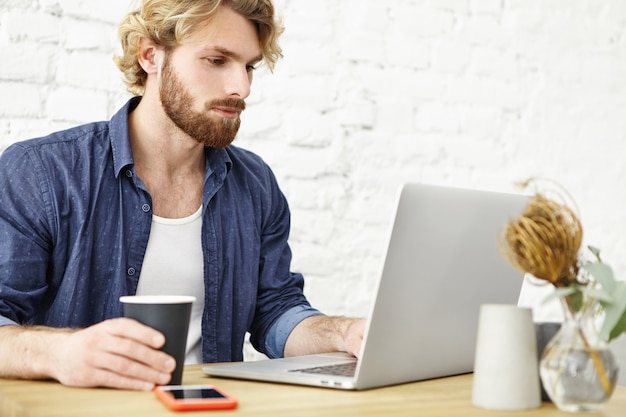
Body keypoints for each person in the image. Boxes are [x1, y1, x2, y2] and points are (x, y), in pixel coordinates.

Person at [0, 0, 365, 391]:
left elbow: (274, 311)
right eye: (216, 60)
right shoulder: (42, 173)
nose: (240, 87)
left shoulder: (255, 184)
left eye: (249, 66)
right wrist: (60, 352)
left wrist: (345, 333)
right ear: (150, 55)